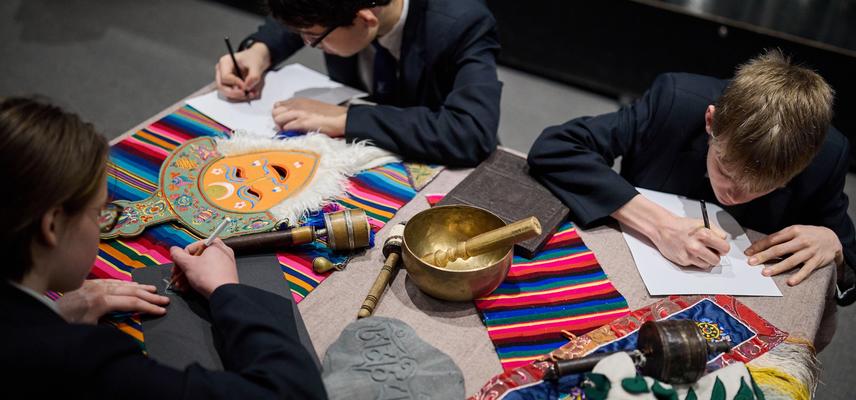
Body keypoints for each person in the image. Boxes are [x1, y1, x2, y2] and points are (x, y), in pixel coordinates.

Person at [0, 97, 328, 399]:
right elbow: (293, 391)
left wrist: (54, 315)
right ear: (53, 226)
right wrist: (228, 291)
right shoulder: (78, 360)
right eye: (100, 212)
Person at [527, 50, 856, 305]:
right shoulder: (675, 101)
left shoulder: (828, 156)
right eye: (725, 170)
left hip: (742, 298)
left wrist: (835, 247)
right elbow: (556, 147)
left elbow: (849, 265)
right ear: (710, 122)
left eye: (764, 187)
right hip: (630, 269)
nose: (734, 195)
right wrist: (658, 224)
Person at [215, 0, 502, 167]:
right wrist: (260, 51)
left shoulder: (463, 23)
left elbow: (471, 132)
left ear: (365, 18)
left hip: (436, 157)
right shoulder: (338, 12)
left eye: (313, 38)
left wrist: (346, 117)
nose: (308, 43)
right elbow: (309, 13)